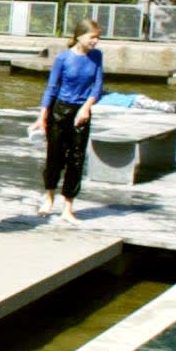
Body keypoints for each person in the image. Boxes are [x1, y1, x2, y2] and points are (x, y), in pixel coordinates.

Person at [35, 18, 105, 223]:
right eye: (92, 37)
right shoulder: (63, 58)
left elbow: (98, 86)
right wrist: (43, 116)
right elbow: (51, 88)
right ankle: (49, 196)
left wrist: (86, 108)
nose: (95, 42)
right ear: (79, 36)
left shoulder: (97, 57)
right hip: (60, 110)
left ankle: (68, 207)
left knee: (76, 159)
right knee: (54, 156)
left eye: (98, 38)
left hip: (82, 111)